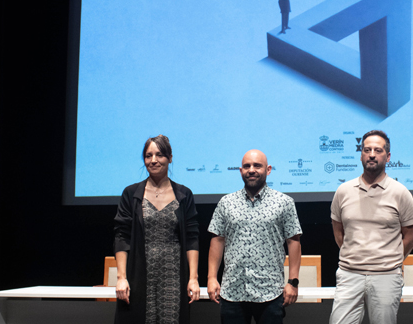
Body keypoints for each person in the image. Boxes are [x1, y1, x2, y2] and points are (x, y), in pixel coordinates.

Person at [329, 130, 413, 324]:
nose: (371, 154)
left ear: (388, 156)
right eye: (367, 150)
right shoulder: (343, 191)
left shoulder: (400, 193)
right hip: (349, 273)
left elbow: (411, 236)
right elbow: (338, 231)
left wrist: (390, 259)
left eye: (378, 150)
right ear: (361, 154)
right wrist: (355, 254)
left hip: (386, 276)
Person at [207, 149, 303, 324]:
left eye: (257, 166)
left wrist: (293, 282)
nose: (251, 170)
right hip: (232, 292)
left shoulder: (284, 202)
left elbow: (293, 241)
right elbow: (217, 240)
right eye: (247, 166)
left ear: (268, 169)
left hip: (270, 292)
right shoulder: (226, 203)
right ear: (241, 171)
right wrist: (211, 278)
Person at [114, 135, 200, 324]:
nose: (153, 160)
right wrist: (121, 278)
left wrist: (193, 278)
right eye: (148, 155)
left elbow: (192, 238)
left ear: (170, 158)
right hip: (139, 274)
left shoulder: (184, 195)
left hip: (173, 275)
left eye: (159, 155)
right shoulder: (131, 194)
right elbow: (122, 236)